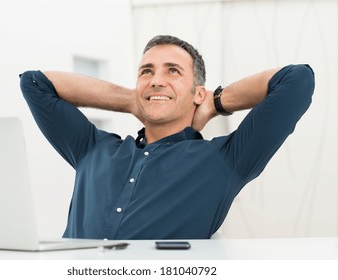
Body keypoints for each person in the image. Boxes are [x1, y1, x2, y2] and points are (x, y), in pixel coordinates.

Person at [19, 35, 315, 240]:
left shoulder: (224, 161)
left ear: (197, 92)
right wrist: (134, 100)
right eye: (146, 72)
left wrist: (214, 102)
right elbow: (34, 83)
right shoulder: (92, 148)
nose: (156, 79)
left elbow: (296, 80)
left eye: (173, 71)